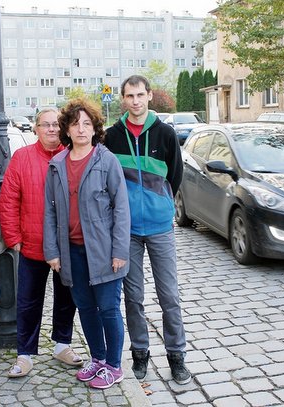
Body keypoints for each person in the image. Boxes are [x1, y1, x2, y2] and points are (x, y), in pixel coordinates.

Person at [104, 75, 191, 384]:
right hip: (126, 231)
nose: (136, 101)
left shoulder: (166, 133)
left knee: (169, 295)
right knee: (133, 297)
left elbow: (175, 176)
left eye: (140, 94)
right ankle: (140, 353)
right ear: (123, 99)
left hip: (159, 228)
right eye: (130, 96)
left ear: (150, 96)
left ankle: (176, 355)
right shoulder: (111, 136)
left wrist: (160, 204)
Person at [43, 98, 130, 389]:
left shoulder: (107, 161)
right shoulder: (57, 164)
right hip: (72, 252)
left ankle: (114, 366)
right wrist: (53, 252)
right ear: (66, 129)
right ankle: (98, 359)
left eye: (87, 124)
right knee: (86, 308)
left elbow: (121, 208)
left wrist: (119, 251)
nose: (81, 129)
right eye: (75, 123)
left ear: (94, 129)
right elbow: (51, 211)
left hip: (104, 251)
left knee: (107, 308)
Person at [0, 108, 83, 378]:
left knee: (66, 299)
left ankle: (62, 345)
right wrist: (14, 239)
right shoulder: (22, 158)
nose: (51, 129)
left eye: (56, 124)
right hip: (32, 245)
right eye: (45, 125)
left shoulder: (72, 157)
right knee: (28, 301)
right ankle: (24, 354)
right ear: (35, 129)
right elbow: (9, 200)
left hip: (66, 245)